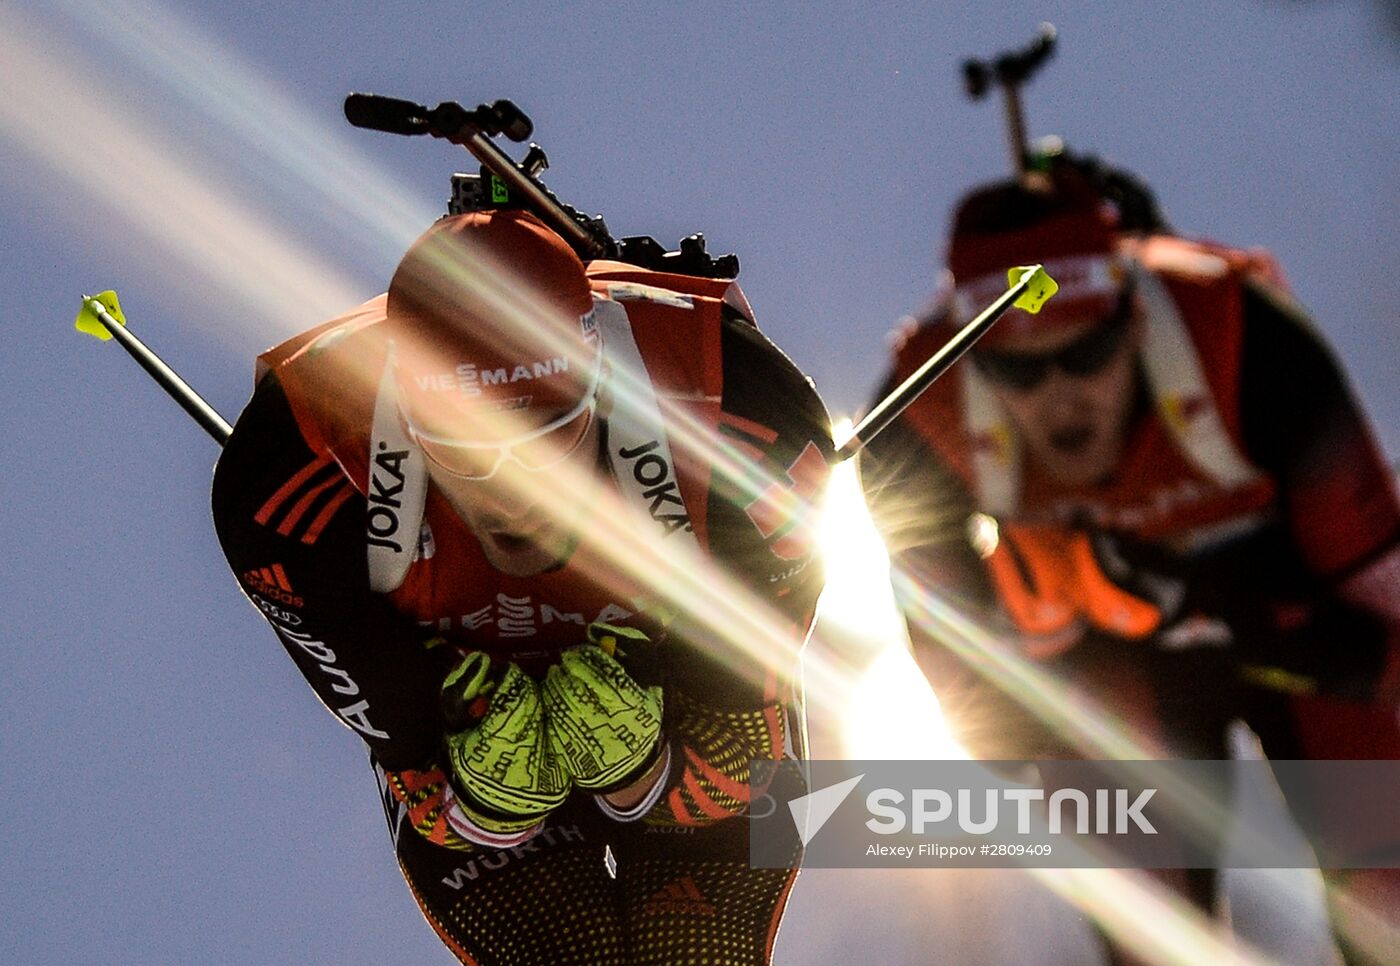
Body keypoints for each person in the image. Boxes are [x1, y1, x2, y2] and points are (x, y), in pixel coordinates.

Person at [212, 207, 833, 965]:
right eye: (469, 451)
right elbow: (417, 775)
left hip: (692, 711)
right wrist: (484, 801)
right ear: (405, 423)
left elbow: (749, 741)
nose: (516, 493)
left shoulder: (750, 427)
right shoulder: (284, 482)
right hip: (478, 757)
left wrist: (648, 772)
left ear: (602, 392)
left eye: (552, 437)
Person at [858, 163, 1400, 961]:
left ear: (1136, 321)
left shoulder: (1249, 342)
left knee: (1386, 889)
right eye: (1017, 368)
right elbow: (981, 717)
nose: (1059, 396)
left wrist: (1271, 630)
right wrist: (1052, 631)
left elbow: (1387, 624)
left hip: (1302, 633)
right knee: (1147, 921)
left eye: (1088, 353)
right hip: (1114, 679)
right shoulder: (912, 424)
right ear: (973, 363)